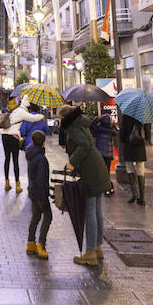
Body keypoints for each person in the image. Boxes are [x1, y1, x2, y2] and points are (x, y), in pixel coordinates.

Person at [60, 104, 111, 268]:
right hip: (97, 167)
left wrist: (72, 163)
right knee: (96, 210)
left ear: (65, 118)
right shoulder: (81, 123)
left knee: (90, 211)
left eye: (59, 119)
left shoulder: (74, 128)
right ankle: (97, 248)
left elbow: (83, 145)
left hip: (90, 171)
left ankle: (90, 253)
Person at [25, 129, 52, 258]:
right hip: (40, 194)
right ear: (43, 142)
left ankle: (30, 243)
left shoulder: (31, 154)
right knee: (48, 216)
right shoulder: (41, 159)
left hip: (32, 191)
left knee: (35, 217)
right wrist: (45, 197)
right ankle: (41, 244)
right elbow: (41, 179)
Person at [119, 112, 147, 205]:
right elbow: (146, 131)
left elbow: (122, 133)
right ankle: (142, 197)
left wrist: (124, 140)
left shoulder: (126, 116)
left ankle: (134, 194)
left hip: (129, 146)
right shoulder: (141, 114)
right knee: (140, 170)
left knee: (129, 168)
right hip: (140, 146)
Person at [90, 109, 116, 195]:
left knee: (101, 171)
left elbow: (91, 125)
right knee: (107, 171)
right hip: (109, 153)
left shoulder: (99, 129)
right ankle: (109, 188)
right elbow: (116, 131)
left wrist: (98, 118)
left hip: (100, 153)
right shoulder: (111, 130)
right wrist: (112, 123)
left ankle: (105, 188)